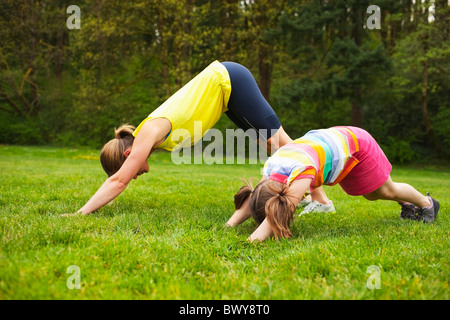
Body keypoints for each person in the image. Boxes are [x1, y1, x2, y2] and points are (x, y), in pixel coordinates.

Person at [66, 60, 330, 216]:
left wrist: (80, 213)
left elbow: (119, 180)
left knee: (278, 142)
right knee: (276, 143)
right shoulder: (152, 136)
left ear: (127, 156)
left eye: (131, 170)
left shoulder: (146, 133)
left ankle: (318, 199)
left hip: (229, 81)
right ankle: (318, 200)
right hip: (227, 96)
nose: (135, 175)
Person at [227, 126, 440, 242]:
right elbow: (256, 196)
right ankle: (409, 203)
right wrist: (230, 225)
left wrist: (253, 240)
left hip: (358, 145)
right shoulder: (270, 171)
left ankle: (427, 203)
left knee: (383, 191)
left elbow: (286, 207)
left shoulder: (302, 171)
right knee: (370, 193)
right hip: (333, 142)